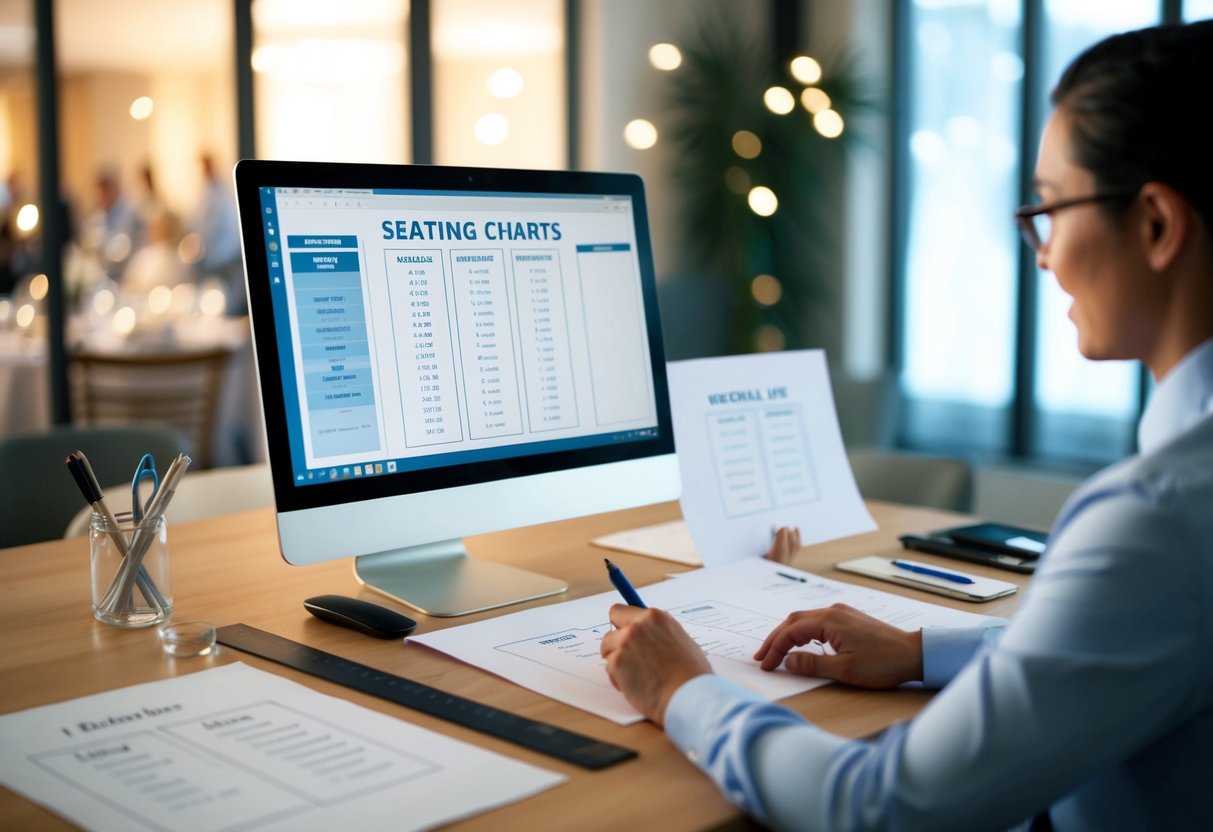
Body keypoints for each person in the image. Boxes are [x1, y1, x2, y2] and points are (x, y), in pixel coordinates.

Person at [600, 21, 1213, 831]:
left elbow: (879, 807)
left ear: (1157, 226)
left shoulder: (1161, 518)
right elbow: (1123, 650)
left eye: (1050, 210)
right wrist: (924, 652)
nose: (1042, 255)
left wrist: (683, 688)